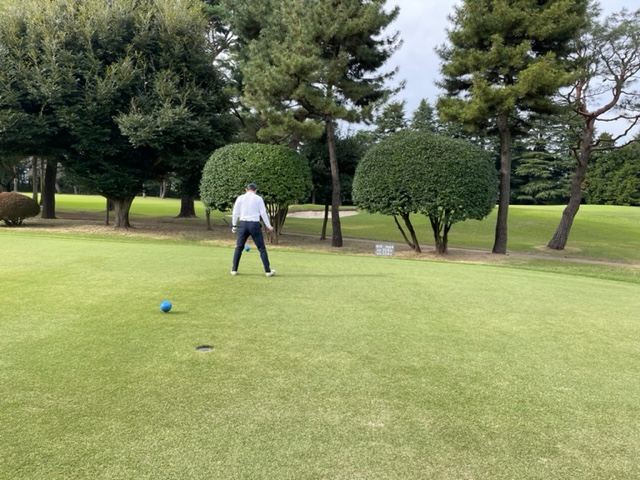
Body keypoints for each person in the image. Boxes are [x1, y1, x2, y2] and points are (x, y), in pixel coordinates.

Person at [230, 183, 276, 277]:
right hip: (254, 224)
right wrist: (268, 226)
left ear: (246, 189)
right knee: (261, 248)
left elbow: (235, 212)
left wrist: (234, 225)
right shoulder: (258, 198)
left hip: (243, 224)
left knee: (239, 247)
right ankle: (267, 271)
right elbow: (263, 213)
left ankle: (234, 269)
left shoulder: (240, 198)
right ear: (255, 190)